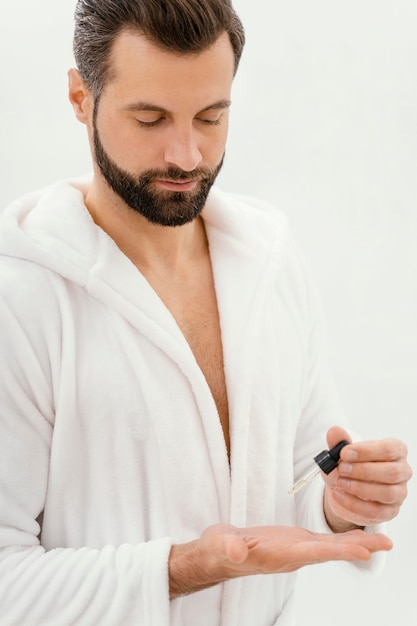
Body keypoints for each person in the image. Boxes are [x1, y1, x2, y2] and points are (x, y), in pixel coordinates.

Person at [0, 1, 412, 624]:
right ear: (80, 97)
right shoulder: (20, 298)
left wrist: (342, 503)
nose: (187, 155)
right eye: (150, 118)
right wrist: (186, 568)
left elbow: (302, 485)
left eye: (211, 117)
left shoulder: (269, 262)